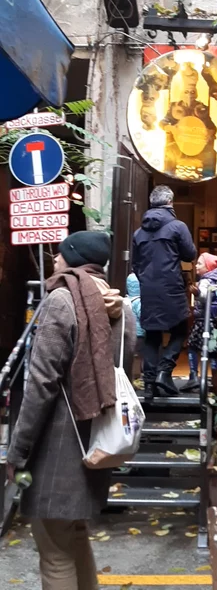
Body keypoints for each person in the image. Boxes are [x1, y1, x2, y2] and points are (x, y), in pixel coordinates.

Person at [7, 230, 135, 590]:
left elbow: (40, 383)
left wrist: (18, 450)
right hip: (97, 440)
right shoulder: (120, 307)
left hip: (57, 445)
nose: (56, 260)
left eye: (62, 254)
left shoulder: (62, 300)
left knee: (54, 549)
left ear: (74, 258)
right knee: (74, 534)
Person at [132, 185, 196, 401]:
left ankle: (150, 385)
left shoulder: (139, 233)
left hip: (149, 288)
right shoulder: (178, 227)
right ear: (170, 202)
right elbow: (189, 254)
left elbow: (136, 264)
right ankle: (164, 371)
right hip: (171, 285)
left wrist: (147, 280)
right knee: (181, 328)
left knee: (152, 334)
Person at [183, 253, 217, 392]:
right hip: (216, 321)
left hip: (203, 321)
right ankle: (216, 378)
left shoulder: (206, 280)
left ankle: (193, 377)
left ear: (208, 267)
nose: (196, 266)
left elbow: (204, 295)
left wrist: (197, 293)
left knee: (192, 347)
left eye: (200, 263)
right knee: (213, 351)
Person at [126, 272, 145, 370]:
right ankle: (140, 371)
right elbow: (143, 316)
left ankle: (133, 372)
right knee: (141, 355)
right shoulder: (139, 302)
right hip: (140, 333)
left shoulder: (126, 300)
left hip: (130, 333)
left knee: (133, 354)